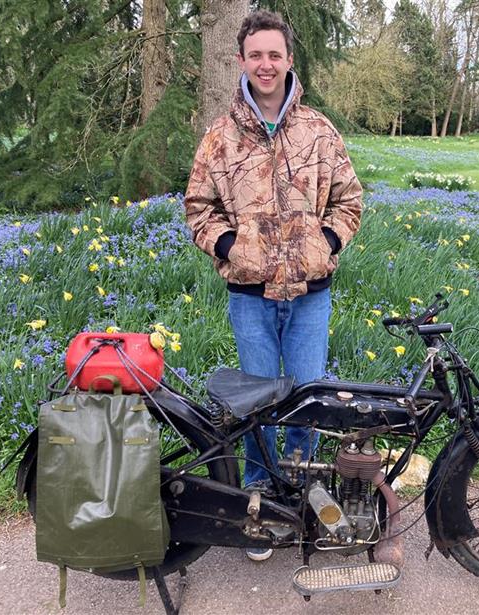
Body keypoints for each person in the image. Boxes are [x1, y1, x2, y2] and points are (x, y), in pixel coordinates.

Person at [183, 10, 362, 561]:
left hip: (311, 295)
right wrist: (228, 248)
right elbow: (198, 207)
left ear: (289, 61)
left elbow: (350, 199)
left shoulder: (318, 129)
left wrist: (325, 245)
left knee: (308, 396)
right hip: (251, 298)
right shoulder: (219, 136)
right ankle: (260, 497)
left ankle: (304, 488)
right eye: (256, 55)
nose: (266, 64)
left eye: (274, 55)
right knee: (258, 401)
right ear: (242, 60)